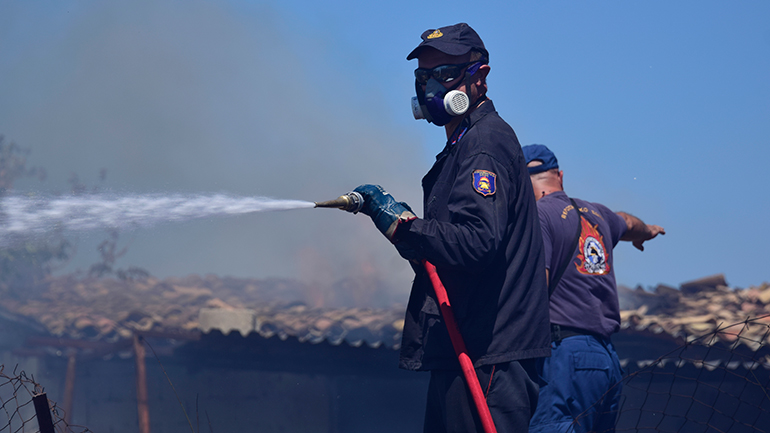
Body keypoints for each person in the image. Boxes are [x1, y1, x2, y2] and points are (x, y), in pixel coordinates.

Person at [353, 23, 551, 432]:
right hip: (468, 351)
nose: (431, 87)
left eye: (445, 74)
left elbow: (478, 244)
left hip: (488, 356)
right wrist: (407, 229)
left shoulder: (483, 144)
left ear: (479, 77)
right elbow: (453, 253)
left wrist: (406, 229)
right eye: (423, 76)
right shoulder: (464, 143)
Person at [522, 144, 666, 433]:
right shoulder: (596, 213)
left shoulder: (537, 217)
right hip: (605, 360)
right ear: (559, 176)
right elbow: (627, 221)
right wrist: (647, 231)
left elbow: (538, 287)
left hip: (564, 356)